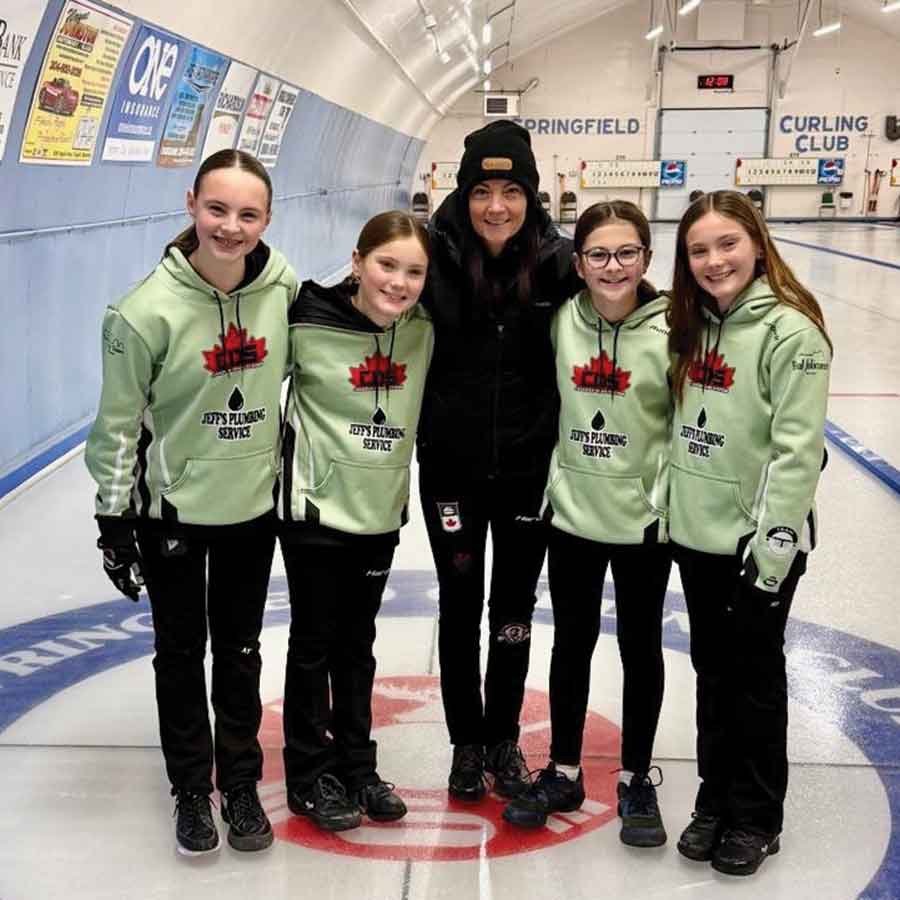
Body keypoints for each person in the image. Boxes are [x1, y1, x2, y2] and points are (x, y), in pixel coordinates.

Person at [85, 149, 298, 855]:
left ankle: (239, 782)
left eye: (247, 214)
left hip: (251, 512)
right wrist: (114, 523)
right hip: (171, 515)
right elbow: (116, 427)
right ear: (190, 205)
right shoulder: (142, 313)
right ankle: (188, 788)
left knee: (239, 652)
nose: (230, 227)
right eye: (217, 209)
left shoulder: (285, 289)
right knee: (180, 654)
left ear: (267, 219)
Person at [667, 190, 831, 876]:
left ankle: (758, 814)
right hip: (695, 535)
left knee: (754, 678)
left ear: (757, 245)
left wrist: (770, 558)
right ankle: (715, 796)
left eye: (727, 244)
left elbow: (798, 458)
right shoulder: (691, 324)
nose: (714, 261)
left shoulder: (792, 333)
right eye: (699, 249)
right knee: (712, 672)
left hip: (756, 544)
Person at [418, 120, 582, 800]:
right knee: (459, 608)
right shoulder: (429, 255)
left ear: (531, 194)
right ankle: (466, 745)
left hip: (526, 471)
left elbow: (630, 319)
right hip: (450, 470)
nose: (495, 206)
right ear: (462, 192)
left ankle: (504, 738)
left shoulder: (560, 263)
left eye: (511, 190)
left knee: (513, 610)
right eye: (482, 190)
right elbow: (363, 299)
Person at [502, 201, 672, 846]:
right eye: (598, 254)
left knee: (639, 647)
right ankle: (565, 769)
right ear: (578, 264)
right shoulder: (560, 325)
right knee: (570, 643)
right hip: (572, 514)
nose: (613, 266)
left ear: (647, 259)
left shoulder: (671, 330)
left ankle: (635, 777)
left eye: (627, 253)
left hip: (643, 523)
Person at [277, 211, 433, 831]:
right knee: (315, 643)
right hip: (314, 509)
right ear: (357, 261)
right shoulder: (306, 320)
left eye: (414, 271)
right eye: (386, 265)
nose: (398, 282)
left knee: (358, 643)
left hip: (379, 509)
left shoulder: (423, 330)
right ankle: (308, 774)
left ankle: (356, 765)